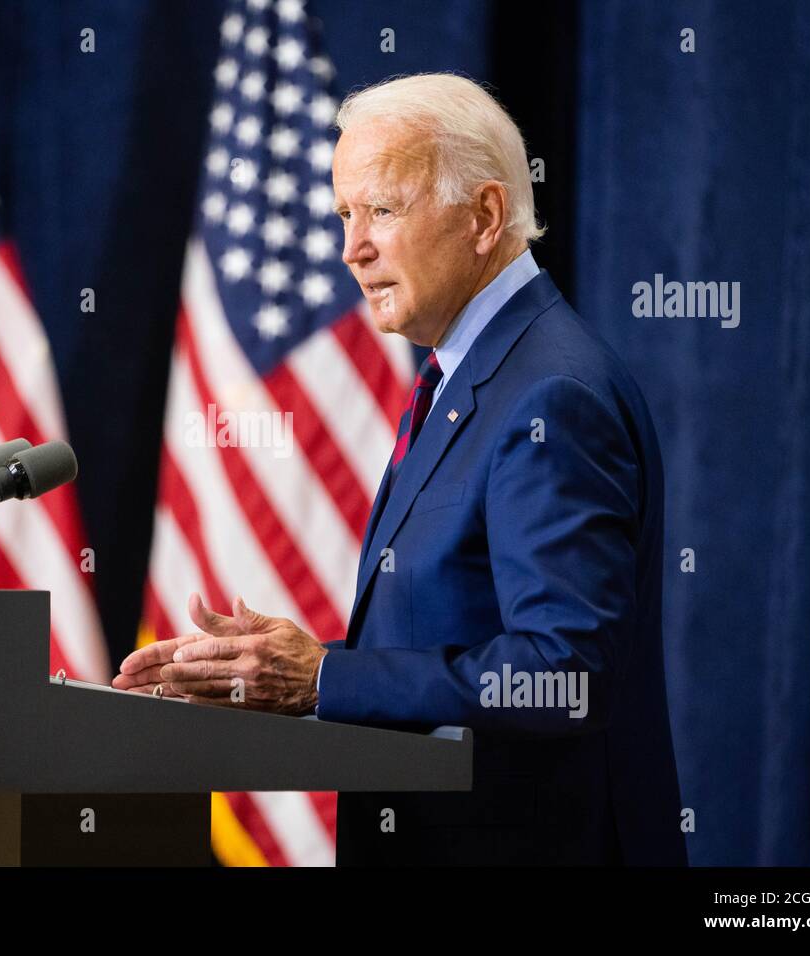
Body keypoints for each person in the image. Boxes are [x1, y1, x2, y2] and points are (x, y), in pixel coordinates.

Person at [113, 73, 686, 865]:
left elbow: (565, 670)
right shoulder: (472, 371)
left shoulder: (550, 394)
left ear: (483, 216)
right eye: (346, 214)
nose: (353, 248)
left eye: (382, 210)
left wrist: (326, 681)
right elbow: (456, 625)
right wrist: (300, 668)